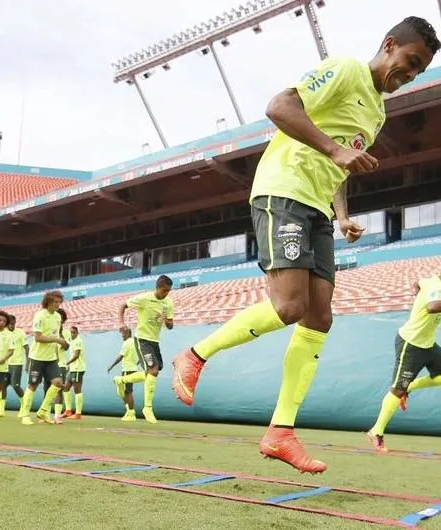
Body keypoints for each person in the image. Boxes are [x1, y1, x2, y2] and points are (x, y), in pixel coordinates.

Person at [171, 17, 440, 473]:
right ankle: (195, 354)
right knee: (290, 306)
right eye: (410, 62)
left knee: (320, 316)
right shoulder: (346, 70)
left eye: (419, 70)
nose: (410, 75)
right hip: (283, 190)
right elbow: (279, 107)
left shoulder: (375, 111)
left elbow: (339, 166)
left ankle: (281, 432)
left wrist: (343, 216)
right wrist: (336, 152)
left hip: (317, 209)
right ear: (389, 44)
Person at [367, 276, 441, 452]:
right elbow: (433, 307)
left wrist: (418, 295)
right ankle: (376, 431)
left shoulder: (428, 282)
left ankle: (410, 387)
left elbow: (416, 282)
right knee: (397, 389)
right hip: (410, 344)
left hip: (428, 345)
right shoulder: (434, 284)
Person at [117, 275, 174, 424]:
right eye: (164, 291)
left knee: (152, 372)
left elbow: (170, 325)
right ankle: (147, 408)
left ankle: (122, 380)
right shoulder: (144, 298)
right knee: (153, 370)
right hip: (142, 339)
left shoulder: (168, 303)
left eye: (168, 291)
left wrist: (165, 319)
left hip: (155, 341)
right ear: (158, 287)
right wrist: (121, 323)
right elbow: (123, 305)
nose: (166, 294)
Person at [18, 290, 70, 425]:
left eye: (59, 302)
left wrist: (62, 342)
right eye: (55, 302)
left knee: (58, 383)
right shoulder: (39, 316)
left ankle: (43, 411)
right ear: (48, 302)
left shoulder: (58, 317)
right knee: (32, 385)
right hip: (37, 357)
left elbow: (57, 335)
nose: (58, 305)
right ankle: (25, 415)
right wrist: (57, 340)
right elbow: (38, 337)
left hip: (51, 358)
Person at [107, 327, 141, 421]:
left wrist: (111, 366)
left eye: (123, 334)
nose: (122, 336)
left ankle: (131, 413)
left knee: (127, 392)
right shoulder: (135, 342)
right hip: (133, 369)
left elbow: (120, 357)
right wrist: (135, 364)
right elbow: (140, 357)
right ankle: (129, 412)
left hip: (127, 370)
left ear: (127, 333)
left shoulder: (126, 343)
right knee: (126, 391)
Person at [0, 314, 28, 418]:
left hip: (17, 363)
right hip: (6, 364)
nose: (11, 325)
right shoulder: (3, 333)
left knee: (15, 385)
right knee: (3, 386)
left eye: (13, 323)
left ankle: (24, 406)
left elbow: (26, 348)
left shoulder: (20, 333)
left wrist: (28, 363)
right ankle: (1, 409)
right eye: (10, 324)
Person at [64, 326, 86, 419]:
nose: (72, 334)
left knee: (77, 391)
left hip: (78, 368)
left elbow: (76, 355)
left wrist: (67, 363)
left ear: (77, 333)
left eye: (74, 333)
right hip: (72, 369)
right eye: (71, 333)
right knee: (65, 388)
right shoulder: (72, 341)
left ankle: (78, 413)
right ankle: (68, 410)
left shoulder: (78, 341)